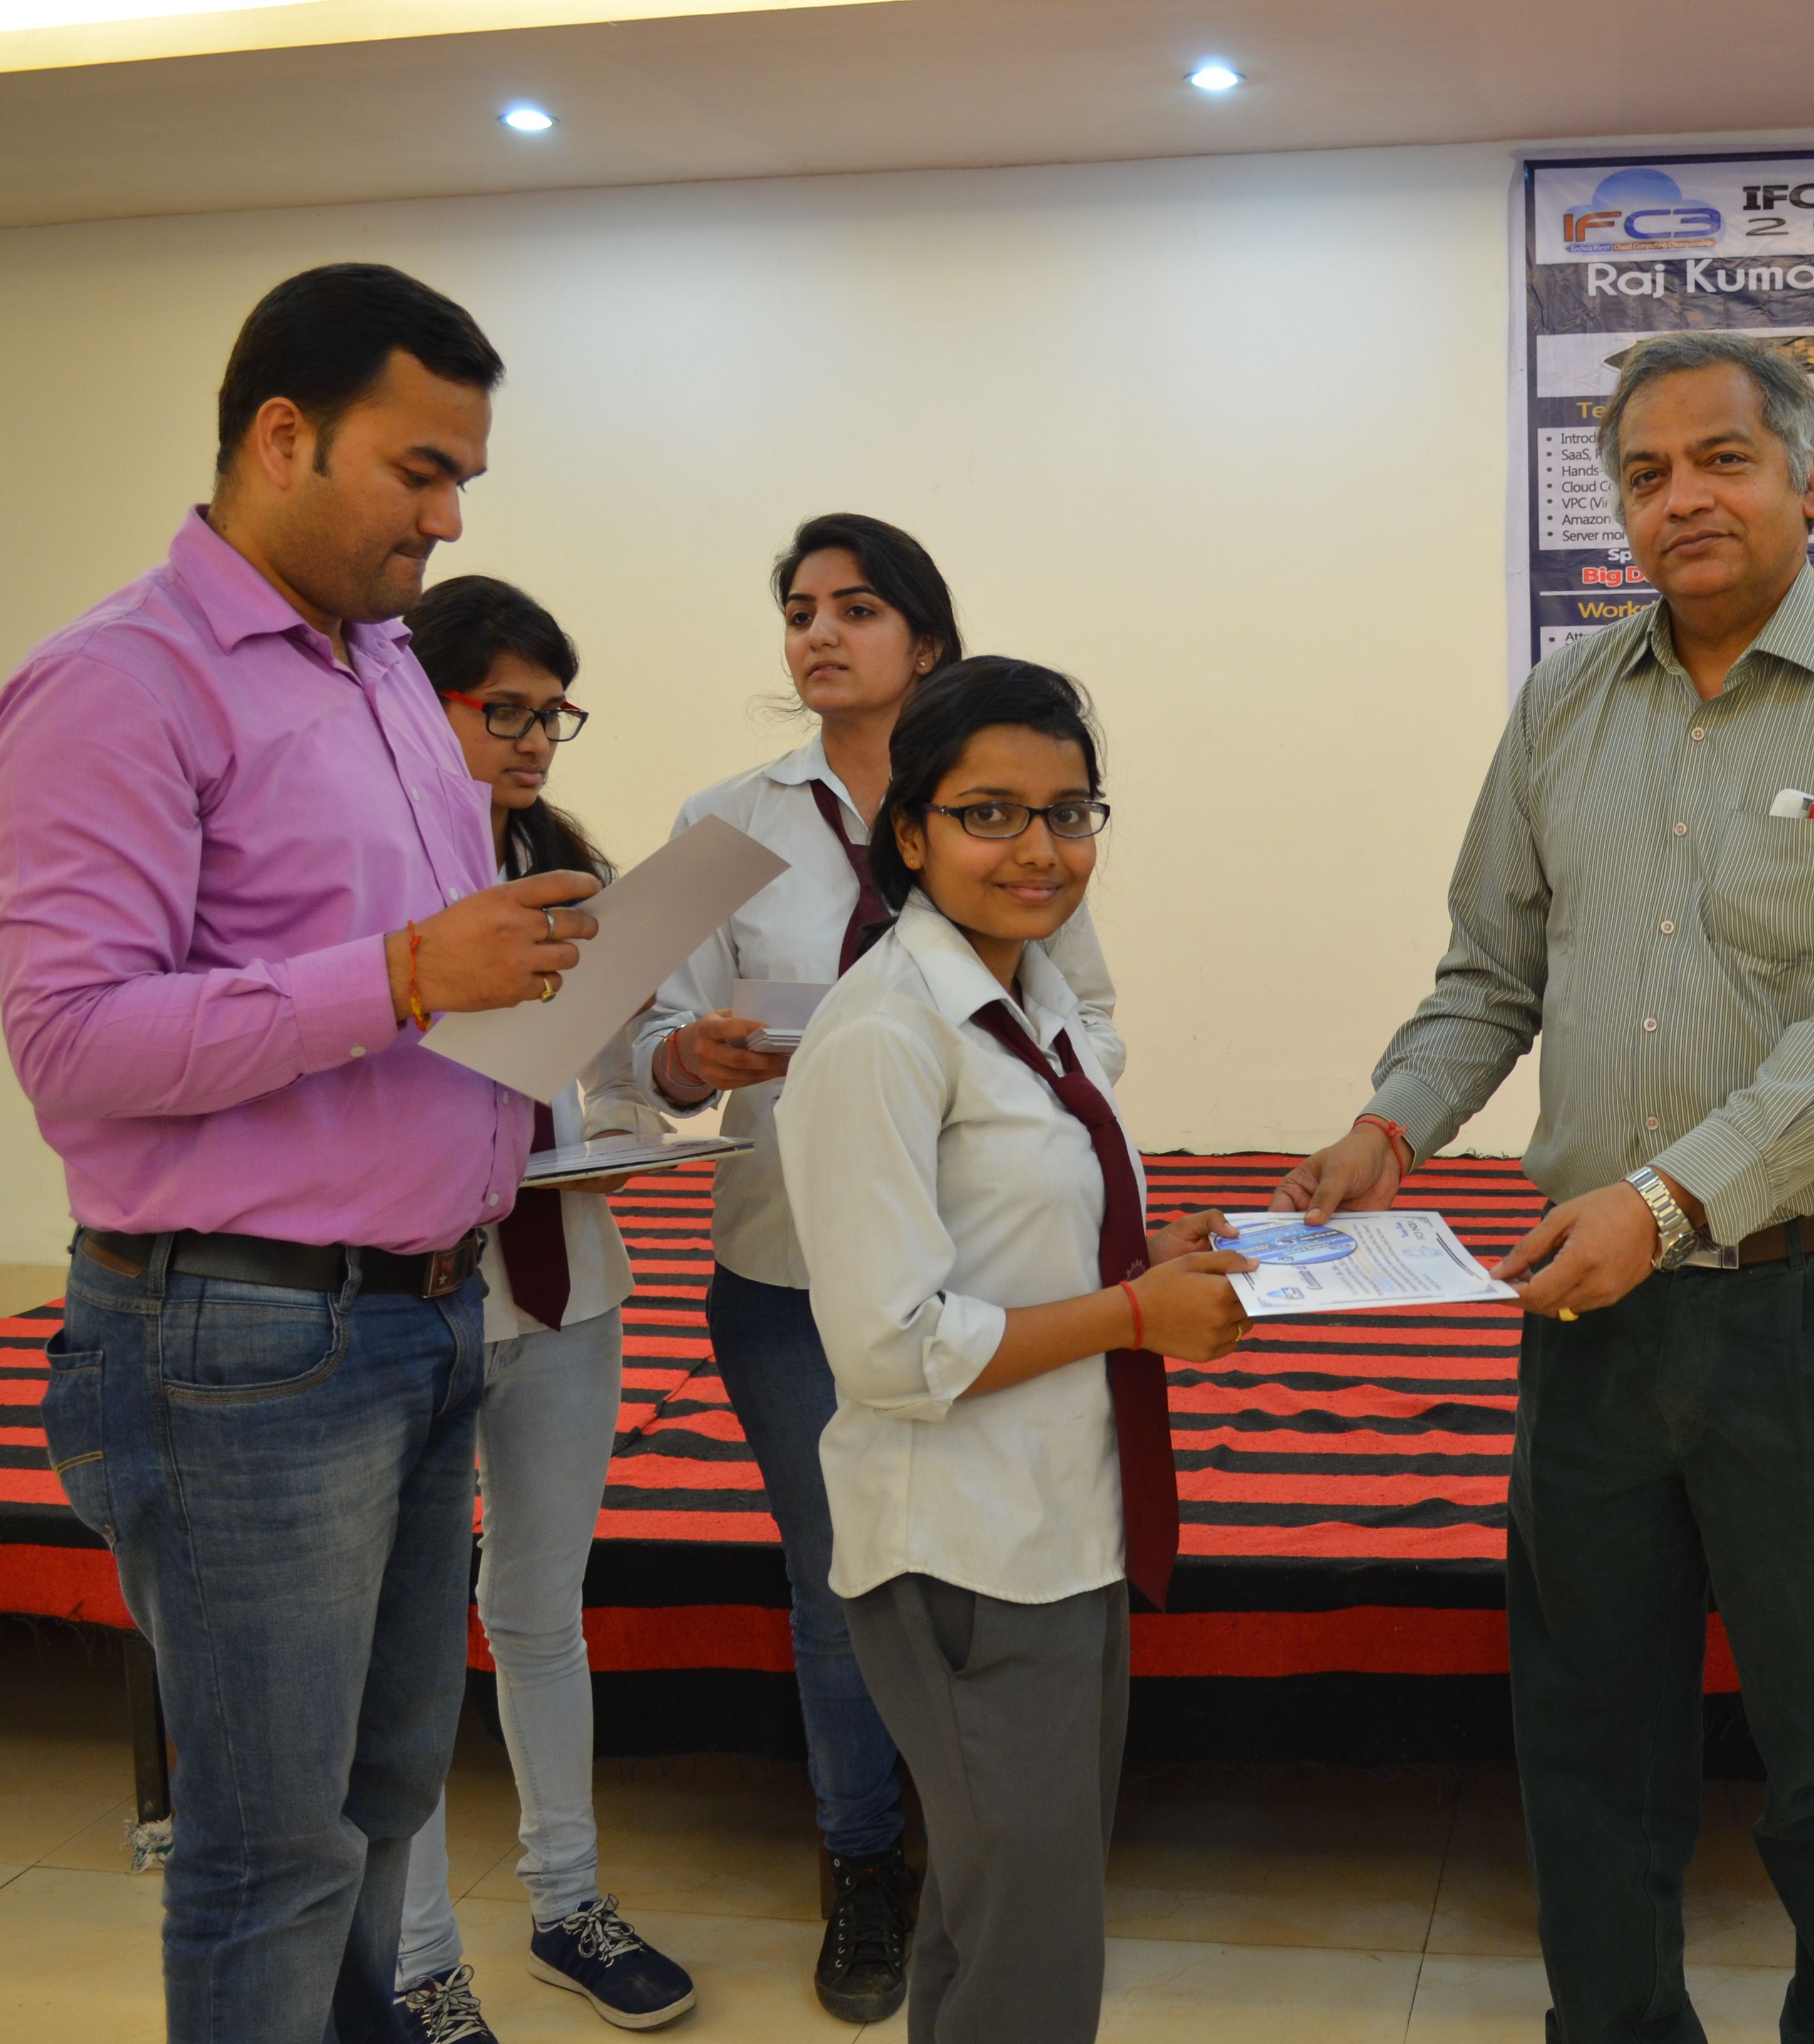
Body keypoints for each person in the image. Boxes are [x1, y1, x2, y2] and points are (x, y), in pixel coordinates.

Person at [1276, 331, 1814, 2044]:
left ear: (1808, 481)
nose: (1684, 498)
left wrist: (1667, 1204)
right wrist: (1388, 1131)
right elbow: (1488, 975)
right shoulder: (1564, 706)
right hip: (1589, 1316)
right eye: (1646, 473)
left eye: (1722, 460)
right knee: (1589, 1731)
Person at [0, 264, 602, 2043]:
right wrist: (407, 972)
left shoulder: (389, 670)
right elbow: (73, 1045)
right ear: (280, 437)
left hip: (425, 1311)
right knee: (269, 1853)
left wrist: (528, 974)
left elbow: (414, 979)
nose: (450, 518)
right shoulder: (117, 685)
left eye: (463, 476)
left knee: (384, 1796)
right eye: (421, 470)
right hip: (245, 1340)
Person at [630, 515, 1125, 2021]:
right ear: (916, 835)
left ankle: (967, 1854)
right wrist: (688, 1058)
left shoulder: (1009, 814)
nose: (818, 635)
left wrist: (1034, 1141)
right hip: (794, 1258)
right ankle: (862, 1864)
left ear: (928, 639)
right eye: (799, 610)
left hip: (999, 1268)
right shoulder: (725, 822)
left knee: (949, 1630)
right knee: (846, 1575)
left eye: (855, 608)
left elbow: (1085, 1017)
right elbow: (615, 1036)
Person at [778, 656, 1253, 2043]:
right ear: (910, 830)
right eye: (989, 813)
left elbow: (1014, 1237)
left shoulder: (1032, 1001)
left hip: (1064, 1517)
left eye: (1068, 811)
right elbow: (886, 1345)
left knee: (997, 1912)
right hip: (965, 1548)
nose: (1040, 849)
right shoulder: (883, 1032)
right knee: (1031, 1945)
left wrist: (1140, 1261)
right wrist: (1131, 1317)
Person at [383, 577, 698, 2039]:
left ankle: (567, 1904)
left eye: (550, 714)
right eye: (499, 708)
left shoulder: (565, 866)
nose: (529, 739)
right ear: (415, 697)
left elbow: (620, 1068)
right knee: (403, 1645)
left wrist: (632, 1120)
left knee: (540, 1610)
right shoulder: (372, 864)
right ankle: (417, 1962)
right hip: (409, 1293)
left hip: (563, 1280)